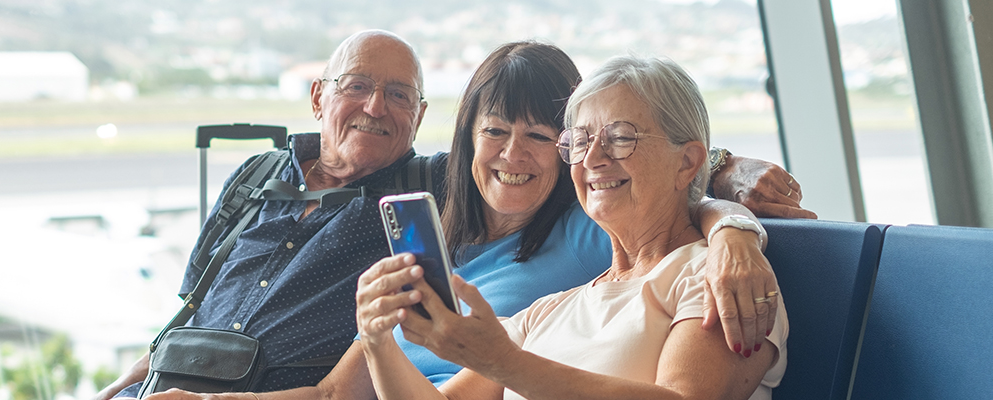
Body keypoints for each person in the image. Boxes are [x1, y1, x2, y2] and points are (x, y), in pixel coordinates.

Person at [97, 31, 807, 400]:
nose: (516, 155)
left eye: (544, 137)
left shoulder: (609, 240)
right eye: (495, 132)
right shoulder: (521, 291)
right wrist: (375, 336)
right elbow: (335, 394)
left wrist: (734, 225)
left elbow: (667, 189)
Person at [358, 55, 788, 400]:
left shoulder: (718, 280)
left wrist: (505, 363)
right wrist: (376, 340)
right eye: (580, 141)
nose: (593, 158)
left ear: (688, 162)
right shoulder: (548, 311)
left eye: (620, 137)